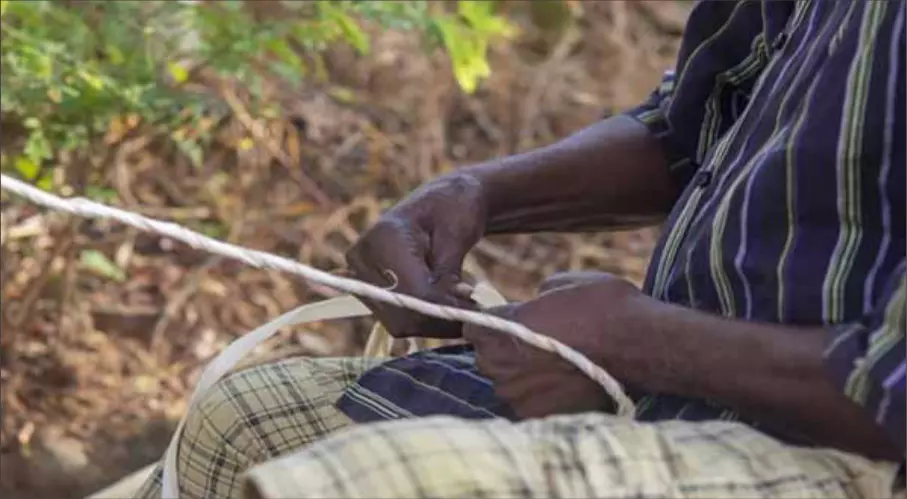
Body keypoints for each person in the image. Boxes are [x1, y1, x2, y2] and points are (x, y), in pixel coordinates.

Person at [136, 1, 905, 498]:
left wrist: (632, 339)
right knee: (243, 419)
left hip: (849, 456)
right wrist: (478, 193)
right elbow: (688, 125)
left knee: (345, 486)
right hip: (672, 398)